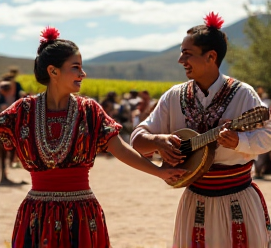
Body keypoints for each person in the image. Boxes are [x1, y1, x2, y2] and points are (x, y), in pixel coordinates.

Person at [0, 26, 184, 248]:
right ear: (53, 71)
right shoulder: (23, 111)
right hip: (37, 216)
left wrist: (159, 172)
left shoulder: (89, 111)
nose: (83, 73)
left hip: (81, 214)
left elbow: (121, 149)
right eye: (75, 67)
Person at [130, 12, 271, 248]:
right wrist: (157, 140)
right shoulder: (174, 96)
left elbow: (269, 136)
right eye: (181, 52)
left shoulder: (243, 93)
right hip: (195, 199)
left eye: (187, 53)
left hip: (237, 198)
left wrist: (238, 141)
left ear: (211, 56)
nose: (180, 60)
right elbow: (137, 139)